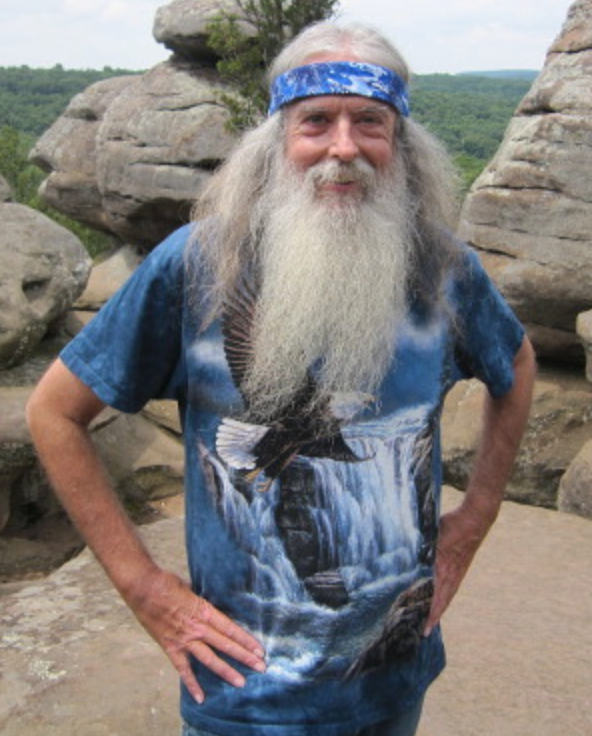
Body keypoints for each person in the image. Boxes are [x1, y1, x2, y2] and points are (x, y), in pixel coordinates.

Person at [26, 21, 536, 736]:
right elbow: (52, 413)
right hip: (243, 702)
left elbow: (514, 361)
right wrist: (143, 587)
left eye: (370, 123)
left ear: (402, 145)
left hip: (392, 684)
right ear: (276, 141)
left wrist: (473, 522)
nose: (343, 148)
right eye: (316, 122)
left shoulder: (442, 270)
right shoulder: (198, 265)